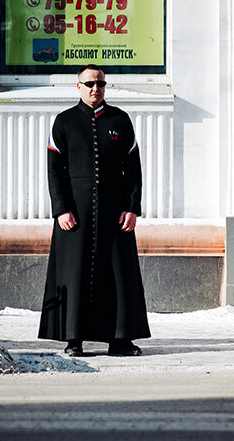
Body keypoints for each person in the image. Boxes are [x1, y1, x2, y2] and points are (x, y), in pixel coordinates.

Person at [38, 64, 151, 357]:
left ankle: (121, 340)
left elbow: (134, 170)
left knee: (117, 275)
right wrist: (61, 209)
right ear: (78, 86)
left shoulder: (120, 120)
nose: (94, 89)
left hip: (115, 215)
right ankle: (73, 339)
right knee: (75, 275)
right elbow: (54, 171)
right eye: (89, 83)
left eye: (100, 84)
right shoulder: (64, 122)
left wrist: (132, 208)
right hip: (75, 215)